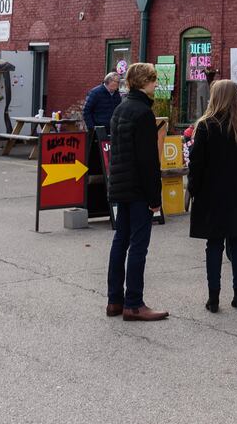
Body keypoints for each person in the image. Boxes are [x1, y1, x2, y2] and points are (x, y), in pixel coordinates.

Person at [188, 79, 237, 312]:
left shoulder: (206, 126)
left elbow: (197, 164)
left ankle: (213, 298)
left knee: (214, 245)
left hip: (211, 195)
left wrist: (193, 189)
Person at [105, 62, 168, 322]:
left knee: (120, 241)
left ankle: (114, 300)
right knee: (139, 246)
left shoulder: (120, 109)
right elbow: (148, 160)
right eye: (153, 80)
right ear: (143, 82)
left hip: (120, 185)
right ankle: (134, 302)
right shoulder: (143, 113)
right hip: (139, 189)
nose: (155, 85)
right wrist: (155, 198)